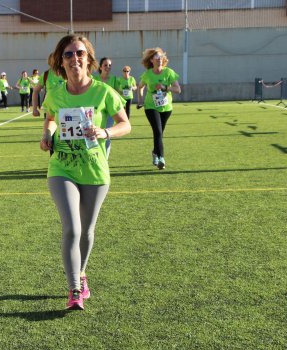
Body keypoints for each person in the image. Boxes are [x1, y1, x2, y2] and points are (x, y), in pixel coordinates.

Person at [40, 34, 130, 310]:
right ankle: (74, 289)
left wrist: (105, 131)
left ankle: (81, 272)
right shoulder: (55, 93)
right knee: (72, 228)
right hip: (62, 167)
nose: (74, 58)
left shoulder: (103, 92)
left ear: (89, 59)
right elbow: (51, 119)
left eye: (79, 53)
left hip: (94, 169)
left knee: (87, 231)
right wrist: (47, 135)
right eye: (68, 54)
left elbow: (125, 124)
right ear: (60, 61)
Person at [136, 47, 181, 170]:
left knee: (160, 134)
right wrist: (140, 101)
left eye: (161, 57)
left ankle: (155, 152)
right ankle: (161, 158)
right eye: (157, 57)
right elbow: (140, 87)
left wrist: (165, 87)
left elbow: (178, 89)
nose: (160, 59)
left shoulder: (169, 72)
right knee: (158, 132)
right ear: (151, 60)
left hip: (166, 108)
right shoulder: (147, 74)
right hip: (151, 107)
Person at [93, 57, 119, 128]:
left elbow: (117, 95)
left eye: (109, 65)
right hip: (97, 111)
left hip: (110, 110)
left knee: (107, 133)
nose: (108, 67)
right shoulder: (94, 79)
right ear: (100, 67)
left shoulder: (114, 79)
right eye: (105, 65)